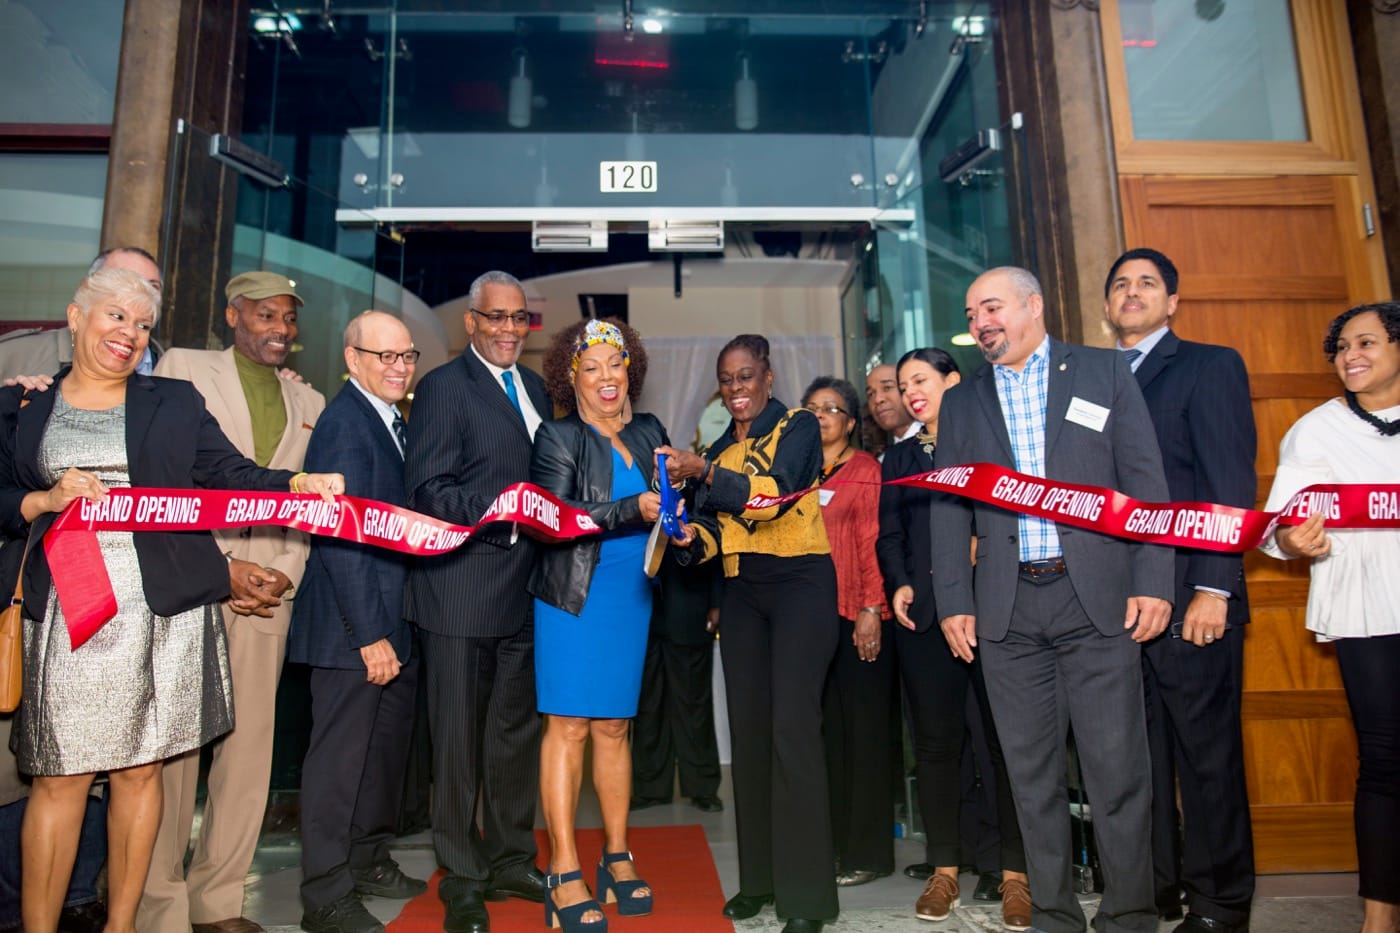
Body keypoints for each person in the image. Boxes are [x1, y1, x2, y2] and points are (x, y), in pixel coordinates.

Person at [0, 267, 342, 933]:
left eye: (142, 324)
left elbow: (230, 474)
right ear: (76, 317)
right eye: (115, 317)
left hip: (161, 617)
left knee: (139, 775)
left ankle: (124, 925)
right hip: (68, 615)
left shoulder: (173, 401)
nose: (128, 333)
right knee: (60, 779)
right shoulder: (23, 406)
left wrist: (297, 481)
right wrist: (41, 501)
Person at [931, 266, 1174, 933]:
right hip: (1007, 610)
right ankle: (1055, 916)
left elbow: (1145, 484)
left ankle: (1128, 915)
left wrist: (1154, 578)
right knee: (1030, 779)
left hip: (1096, 599)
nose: (981, 321)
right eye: (972, 311)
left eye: (992, 306)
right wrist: (953, 598)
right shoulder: (963, 401)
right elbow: (949, 511)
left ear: (1033, 306)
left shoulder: (1102, 373)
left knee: (1117, 772)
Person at [141, 270, 327, 933]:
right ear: (232, 315)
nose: (280, 328)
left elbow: (305, 506)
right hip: (190, 580)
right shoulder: (181, 368)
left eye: (288, 319)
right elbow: (159, 477)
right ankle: (154, 902)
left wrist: (281, 573)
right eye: (265, 315)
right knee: (171, 754)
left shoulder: (310, 399)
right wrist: (223, 566)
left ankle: (218, 901)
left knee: (248, 750)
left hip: (267, 594)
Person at [659, 334, 838, 933]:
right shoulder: (715, 448)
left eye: (746, 376)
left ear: (766, 375)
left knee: (793, 732)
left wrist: (705, 471)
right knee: (752, 737)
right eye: (726, 380)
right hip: (742, 593)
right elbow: (714, 534)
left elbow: (776, 499)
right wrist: (687, 540)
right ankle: (758, 882)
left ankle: (808, 900)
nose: (736, 389)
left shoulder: (799, 427)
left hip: (800, 587)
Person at [1103, 247, 1257, 933]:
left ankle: (1221, 900)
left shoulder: (1208, 365)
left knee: (1207, 757)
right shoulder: (1091, 380)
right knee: (1137, 756)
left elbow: (1229, 483)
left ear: (1173, 302)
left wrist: (1214, 588)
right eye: (1120, 284)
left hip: (1194, 596)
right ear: (1107, 305)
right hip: (1116, 604)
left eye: (1147, 283)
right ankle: (1157, 886)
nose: (1132, 293)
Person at [404, 271, 551, 933]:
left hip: (528, 590)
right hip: (460, 591)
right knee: (459, 744)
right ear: (471, 322)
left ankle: (512, 856)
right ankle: (462, 877)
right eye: (496, 318)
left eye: (519, 319)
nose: (508, 330)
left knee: (514, 735)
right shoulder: (441, 388)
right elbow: (429, 489)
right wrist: (504, 510)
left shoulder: (540, 388)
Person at [529, 318, 687, 931]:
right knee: (568, 726)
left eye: (614, 365)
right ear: (572, 378)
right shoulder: (557, 435)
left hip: (631, 590)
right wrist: (632, 506)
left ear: (631, 370)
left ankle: (617, 854)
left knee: (616, 727)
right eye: (590, 368)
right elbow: (553, 517)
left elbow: (669, 503)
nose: (605, 378)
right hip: (573, 593)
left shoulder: (650, 430)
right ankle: (563, 868)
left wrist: (682, 519)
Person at [875, 348, 1030, 930]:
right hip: (926, 619)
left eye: (922, 381)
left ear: (953, 382)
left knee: (1002, 744)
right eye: (903, 383)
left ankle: (1016, 875)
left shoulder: (993, 439)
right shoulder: (900, 456)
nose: (911, 392)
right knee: (936, 747)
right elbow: (889, 533)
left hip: (996, 613)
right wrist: (900, 583)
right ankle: (945, 869)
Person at [1260, 301, 1400, 933]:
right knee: (1386, 759)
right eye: (1341, 348)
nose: (1351, 356)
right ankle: (1379, 918)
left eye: (1366, 342)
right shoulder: (1314, 431)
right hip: (1366, 604)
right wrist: (1295, 542)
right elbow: (1278, 530)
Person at [288, 312, 426, 933]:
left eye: (406, 356)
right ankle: (324, 895)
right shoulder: (345, 424)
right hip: (353, 628)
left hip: (389, 620)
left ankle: (368, 859)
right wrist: (370, 635)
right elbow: (340, 541)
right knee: (338, 765)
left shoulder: (390, 418)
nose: (398, 367)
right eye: (384, 356)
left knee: (380, 757)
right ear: (352, 359)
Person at [800, 377, 896, 888]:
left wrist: (871, 608)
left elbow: (870, 541)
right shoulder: (797, 470)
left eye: (831, 408)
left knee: (864, 738)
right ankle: (833, 847)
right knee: (828, 739)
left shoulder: (865, 470)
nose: (820, 415)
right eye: (811, 407)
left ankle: (870, 853)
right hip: (811, 624)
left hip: (856, 618)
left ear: (851, 422)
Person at [629, 548, 723, 814]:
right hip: (639, 608)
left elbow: (715, 540)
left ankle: (702, 787)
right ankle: (650, 788)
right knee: (647, 705)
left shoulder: (697, 503)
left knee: (694, 704)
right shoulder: (628, 502)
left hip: (690, 606)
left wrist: (717, 601)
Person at [0, 247, 164, 380]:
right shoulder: (13, 355)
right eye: (122, 281)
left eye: (152, 287)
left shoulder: (175, 368)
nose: (141, 296)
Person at [863, 363, 915, 459]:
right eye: (871, 394)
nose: (878, 399)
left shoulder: (937, 442)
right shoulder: (882, 462)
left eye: (887, 388)